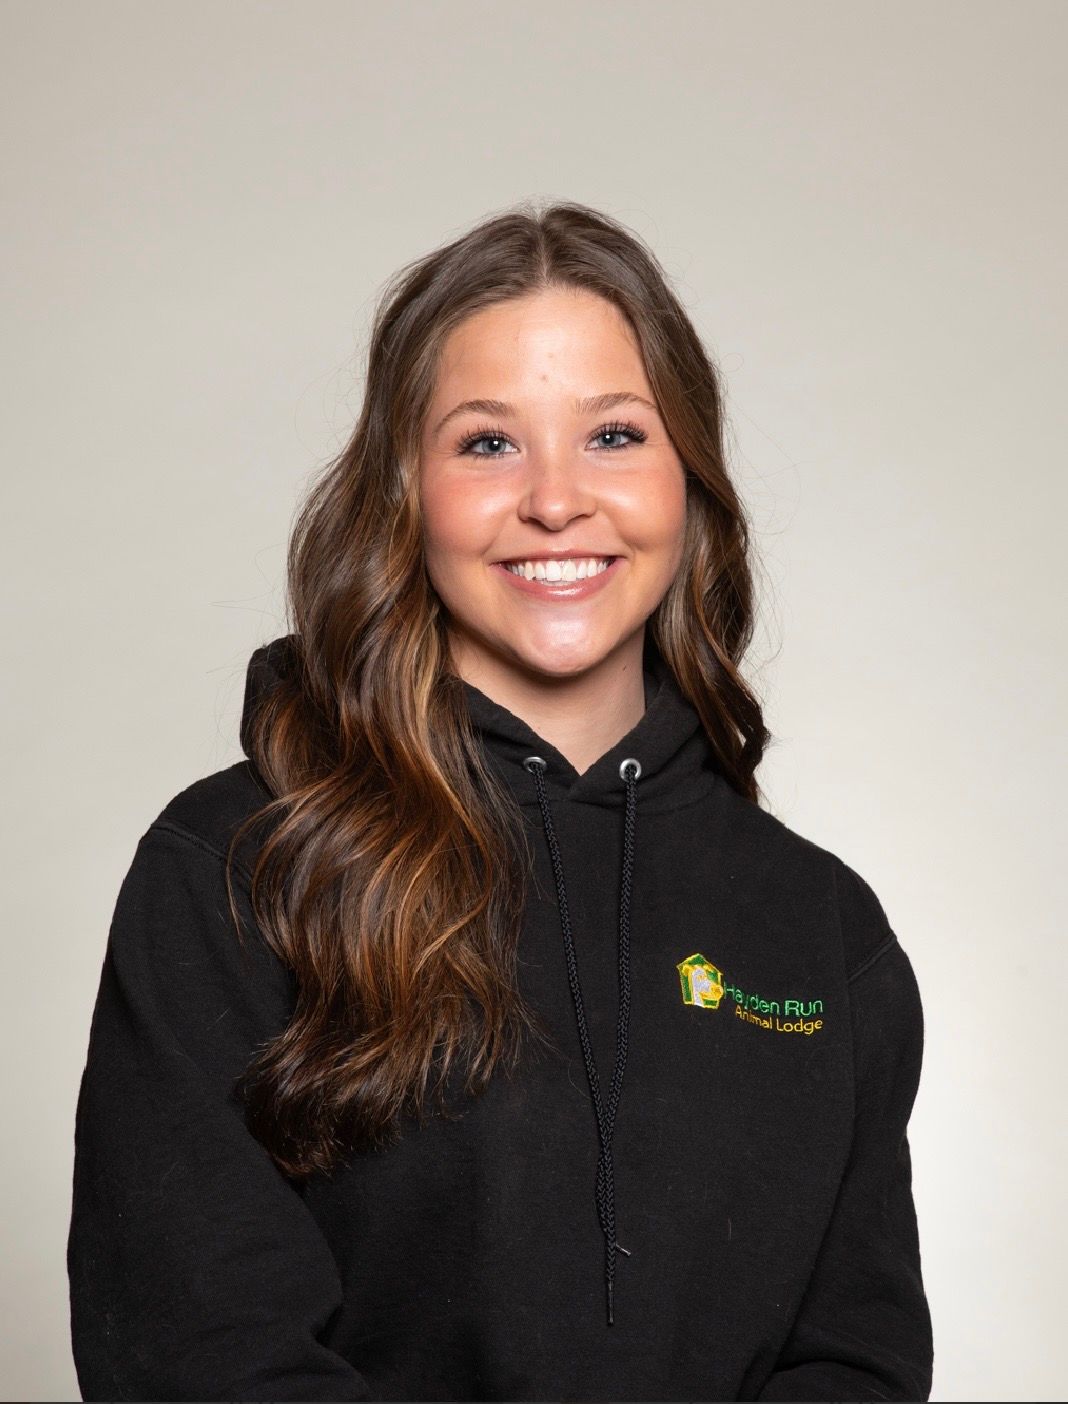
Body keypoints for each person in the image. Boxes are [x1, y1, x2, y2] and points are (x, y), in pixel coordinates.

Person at [67, 200, 934, 1402]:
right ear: (402, 491)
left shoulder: (822, 928)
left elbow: (859, 1360)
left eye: (616, 435)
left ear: (688, 480)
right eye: (487, 444)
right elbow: (204, 1356)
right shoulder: (235, 868)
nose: (556, 499)